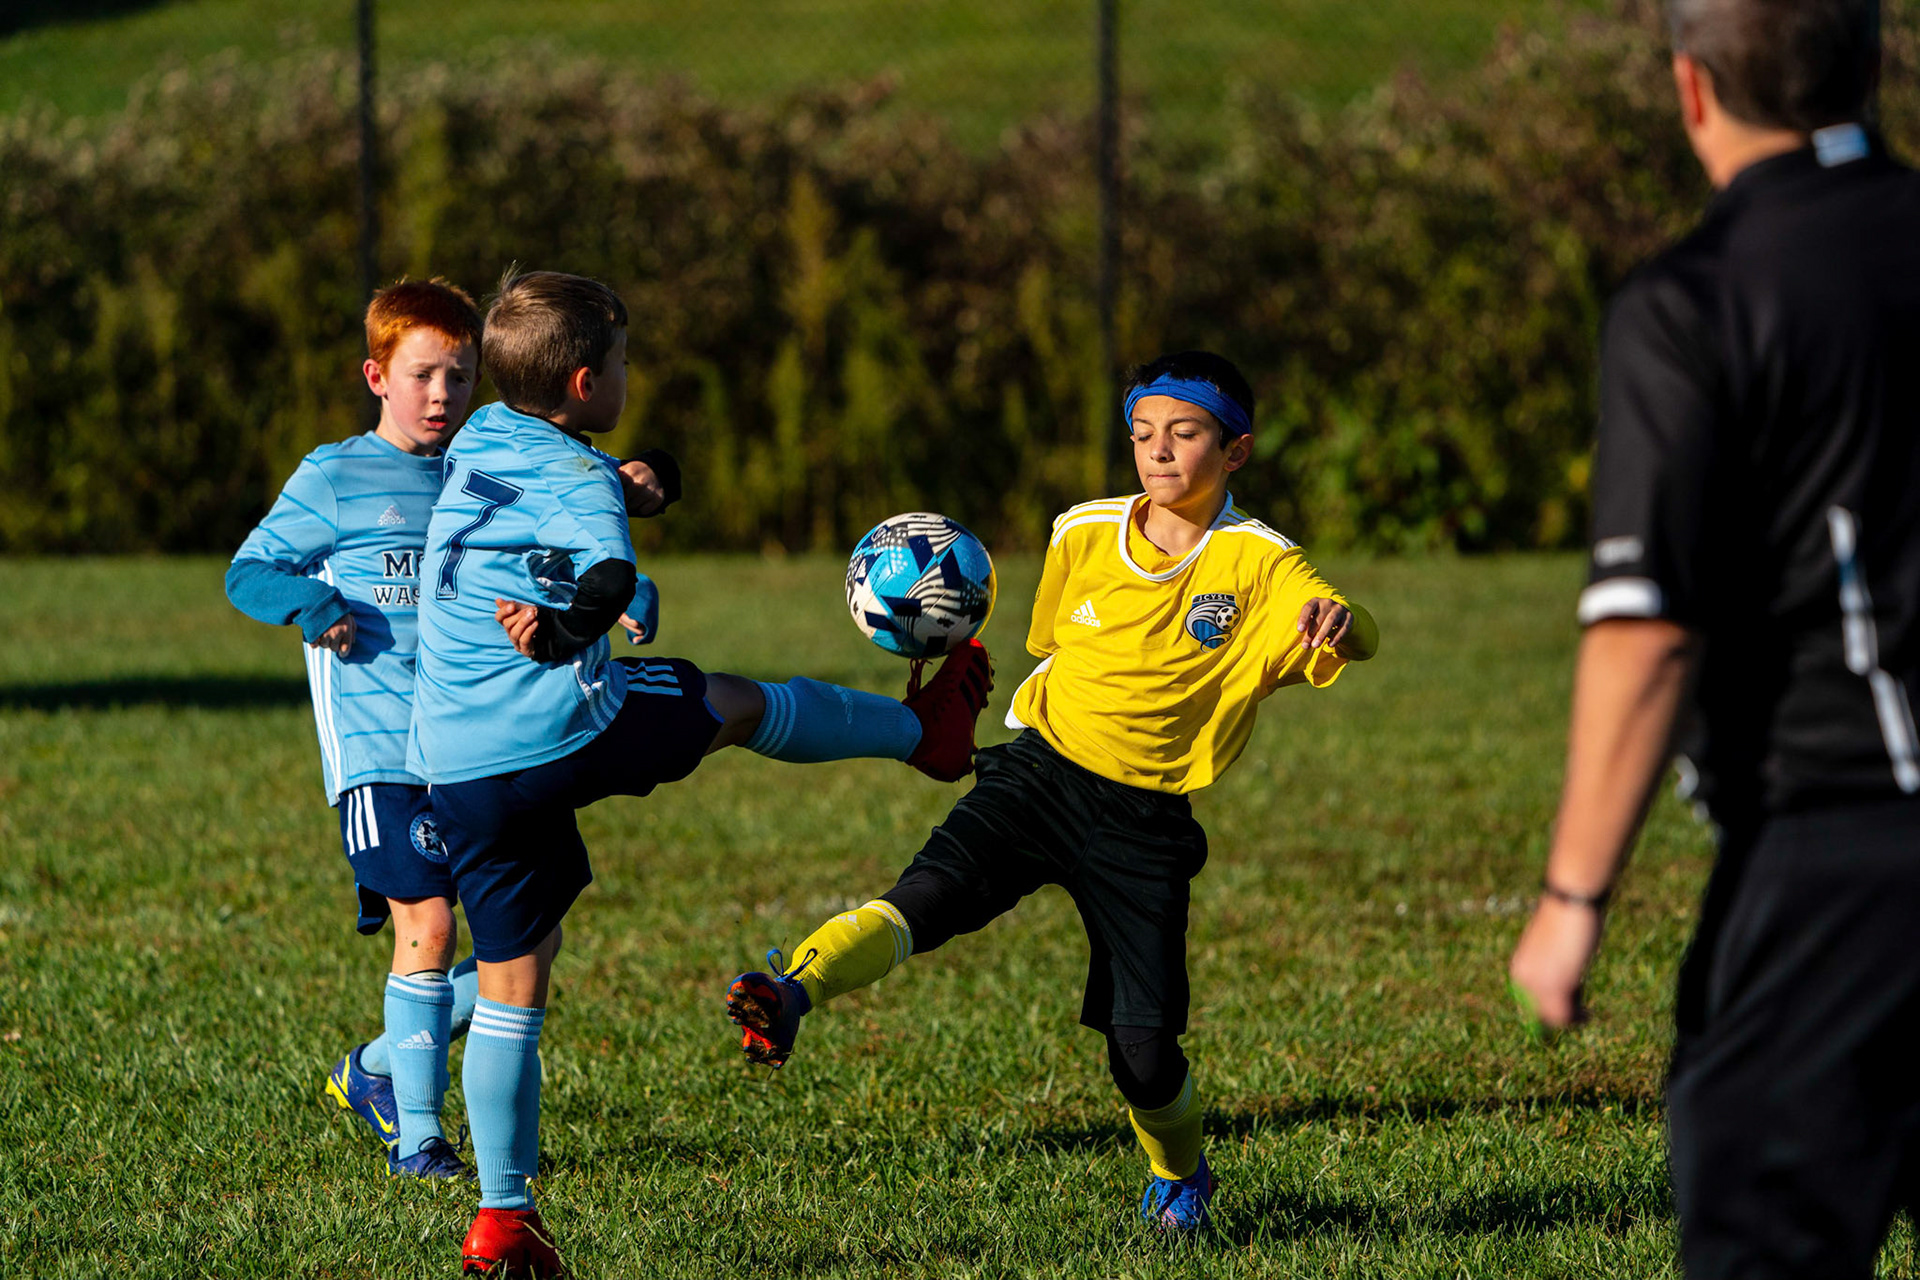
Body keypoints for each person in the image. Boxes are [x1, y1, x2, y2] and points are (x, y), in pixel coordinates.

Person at [409, 269, 993, 1277]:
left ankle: (502, 1218)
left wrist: (636, 486)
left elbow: (563, 510)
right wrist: (568, 628)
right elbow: (605, 573)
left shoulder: (481, 440)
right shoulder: (582, 486)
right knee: (734, 704)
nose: (633, 373)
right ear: (589, 380)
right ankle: (920, 735)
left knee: (514, 975)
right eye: (625, 362)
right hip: (559, 725)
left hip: (454, 756)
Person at [726, 350, 1379, 1233]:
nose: (1159, 452)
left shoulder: (1258, 562)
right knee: (922, 899)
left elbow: (1351, 623)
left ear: (1237, 452)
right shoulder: (1082, 531)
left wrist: (1342, 621)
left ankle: (1179, 1174)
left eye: (1185, 435)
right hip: (1038, 773)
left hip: (1144, 821)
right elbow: (1050, 644)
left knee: (1142, 1052)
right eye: (1144, 434)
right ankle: (789, 992)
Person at [1505, 1, 1920, 1274]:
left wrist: (1575, 897)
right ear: (1873, 65)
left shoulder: (1696, 299)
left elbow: (1647, 631)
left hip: (1848, 858)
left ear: (1692, 88)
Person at [226, 278, 488, 1179]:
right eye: (422, 376)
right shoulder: (335, 475)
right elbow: (248, 572)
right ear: (376, 376)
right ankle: (420, 1137)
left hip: (478, 744)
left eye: (459, 377)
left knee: (523, 945)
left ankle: (374, 1070)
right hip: (379, 751)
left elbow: (559, 548)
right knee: (430, 920)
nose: (441, 396)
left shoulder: (481, 474)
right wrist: (313, 601)